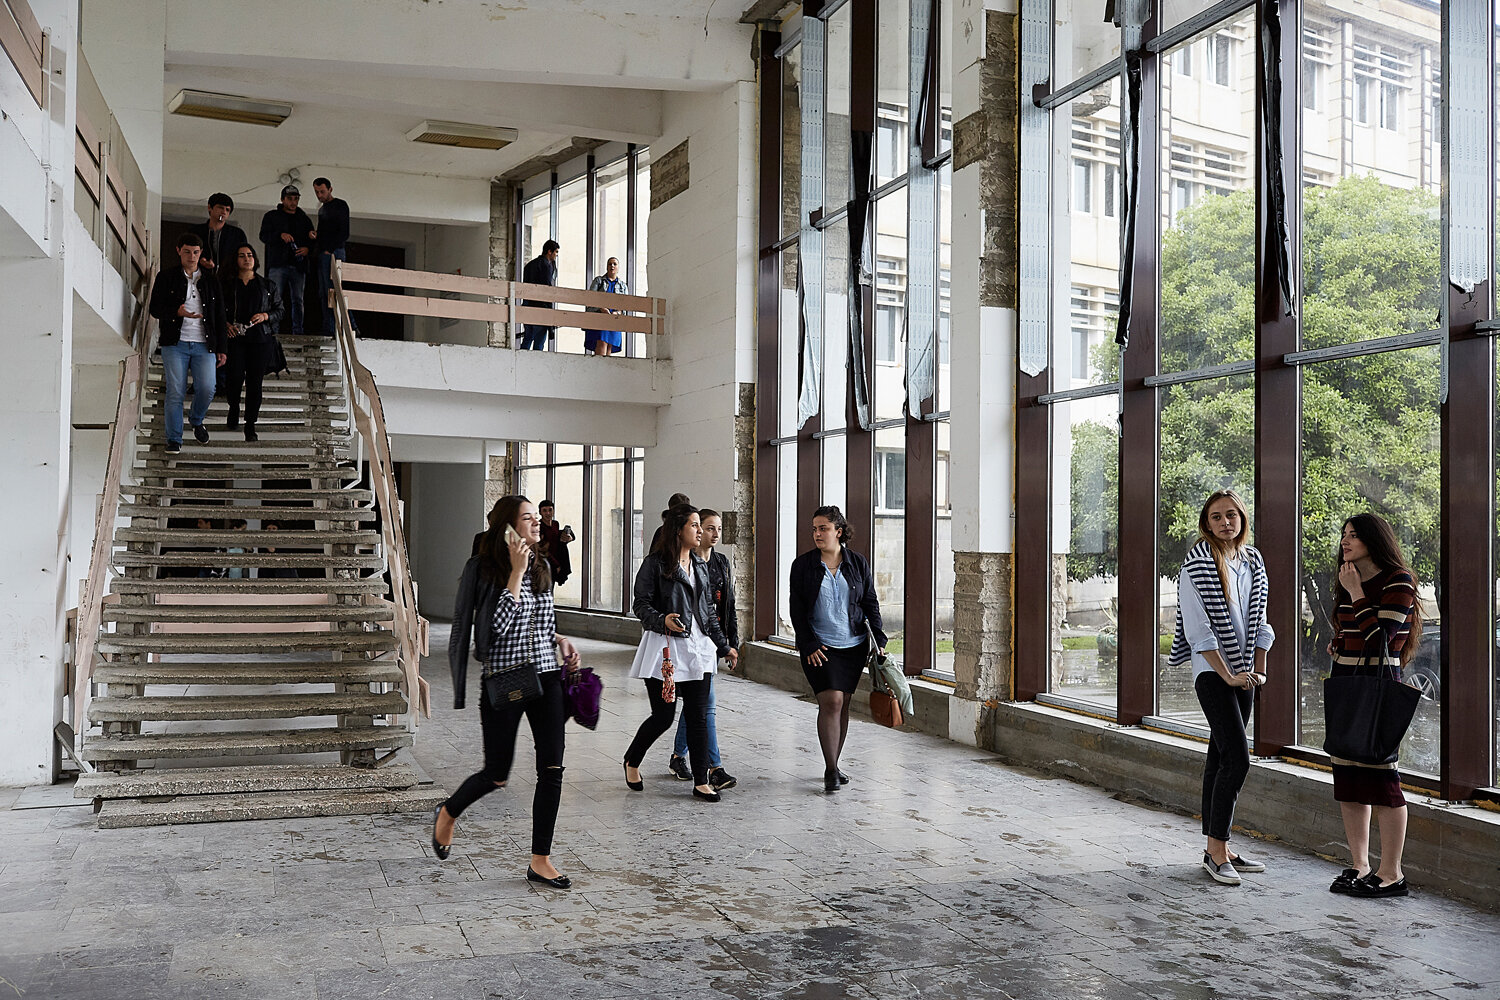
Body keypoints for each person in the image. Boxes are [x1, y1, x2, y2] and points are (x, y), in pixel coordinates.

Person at [434, 495, 581, 889]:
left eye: (537, 517)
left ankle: (540, 860)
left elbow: (541, 622)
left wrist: (560, 640)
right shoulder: (485, 570)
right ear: (508, 527)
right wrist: (515, 573)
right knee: (496, 775)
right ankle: (448, 812)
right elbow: (490, 634)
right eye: (528, 518)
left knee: (552, 769)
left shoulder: (544, 564)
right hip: (505, 679)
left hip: (547, 677)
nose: (537, 523)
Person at [1165, 490, 1273, 886]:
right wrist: (1227, 675)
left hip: (1244, 671)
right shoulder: (1195, 566)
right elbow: (1198, 630)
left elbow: (1262, 618)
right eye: (1216, 517)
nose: (1225, 522)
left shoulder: (1253, 561)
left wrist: (1256, 668)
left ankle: (1218, 848)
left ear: (1242, 518)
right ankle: (1216, 848)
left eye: (1231, 515)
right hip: (1212, 672)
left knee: (1220, 756)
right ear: (1205, 523)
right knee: (1239, 759)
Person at [1327, 513, 1421, 899]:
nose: (1346, 541)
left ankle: (1391, 873)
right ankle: (1360, 864)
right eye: (1344, 535)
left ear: (1374, 539)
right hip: (1346, 683)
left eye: (1354, 535)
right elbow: (1351, 632)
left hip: (1380, 686)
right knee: (1348, 776)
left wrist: (1356, 593)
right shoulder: (1349, 578)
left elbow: (1380, 636)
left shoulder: (1399, 580)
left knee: (1383, 779)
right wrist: (1337, 642)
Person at [623, 504, 738, 802]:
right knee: (663, 717)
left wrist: (724, 645)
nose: (700, 531)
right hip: (665, 651)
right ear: (678, 530)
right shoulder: (654, 564)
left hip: (697, 650)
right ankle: (632, 759)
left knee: (699, 715)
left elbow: (708, 613)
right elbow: (641, 604)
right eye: (695, 525)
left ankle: (701, 781)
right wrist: (662, 620)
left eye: (701, 526)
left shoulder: (701, 566)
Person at [788, 505, 887, 794]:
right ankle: (831, 770)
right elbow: (796, 609)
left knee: (842, 704)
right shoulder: (803, 565)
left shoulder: (857, 563)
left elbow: (870, 603)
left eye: (823, 528)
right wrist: (807, 642)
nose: (817, 533)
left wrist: (878, 640)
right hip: (819, 647)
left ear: (838, 531)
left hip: (853, 646)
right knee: (830, 701)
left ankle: (836, 763)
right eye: (815, 528)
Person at [668, 508, 738, 791]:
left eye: (717, 528)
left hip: (713, 642)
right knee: (705, 707)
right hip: (691, 643)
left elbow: (726, 606)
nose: (713, 533)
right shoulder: (689, 562)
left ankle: (677, 756)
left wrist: (728, 643)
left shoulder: (720, 562)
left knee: (698, 706)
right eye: (708, 527)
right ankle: (715, 767)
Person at [148, 232, 227, 453]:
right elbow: (154, 309)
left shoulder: (211, 281)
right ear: (178, 251)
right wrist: (176, 311)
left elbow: (220, 315)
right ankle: (174, 439)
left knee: (207, 387)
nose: (191, 256)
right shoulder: (166, 277)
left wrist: (222, 349)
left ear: (201, 254)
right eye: (187, 252)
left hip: (205, 343)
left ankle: (196, 419)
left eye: (195, 252)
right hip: (176, 343)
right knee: (176, 390)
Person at [222, 244, 283, 442]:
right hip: (235, 338)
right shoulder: (227, 284)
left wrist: (266, 315)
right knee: (234, 378)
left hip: (261, 339)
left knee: (255, 383)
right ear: (236, 260)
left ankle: (250, 425)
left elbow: (280, 310)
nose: (246, 259)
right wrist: (225, 324)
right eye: (242, 256)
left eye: (250, 255)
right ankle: (233, 407)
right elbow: (215, 308)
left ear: (255, 259)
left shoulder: (268, 286)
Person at [259, 185, 315, 337]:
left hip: (298, 265)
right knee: (273, 299)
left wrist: (307, 249)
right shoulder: (272, 216)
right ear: (282, 199)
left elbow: (313, 241)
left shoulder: (304, 219)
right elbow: (263, 236)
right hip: (278, 264)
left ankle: (298, 332)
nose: (293, 202)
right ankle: (272, 330)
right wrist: (279, 235)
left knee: (298, 300)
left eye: (296, 199)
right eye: (290, 199)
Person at [311, 177, 351, 335]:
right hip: (324, 253)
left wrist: (330, 249)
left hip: (334, 252)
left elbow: (344, 232)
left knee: (335, 290)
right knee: (324, 292)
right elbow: (324, 233)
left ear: (330, 189)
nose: (319, 195)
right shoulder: (322, 210)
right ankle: (328, 328)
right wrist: (316, 235)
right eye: (316, 192)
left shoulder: (340, 205)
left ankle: (348, 326)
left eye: (322, 191)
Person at [188, 192, 249, 280]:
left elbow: (242, 256)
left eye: (227, 210)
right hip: (201, 277)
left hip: (228, 280)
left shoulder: (237, 234)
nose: (224, 212)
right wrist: (200, 260)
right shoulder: (196, 231)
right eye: (220, 208)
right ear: (210, 207)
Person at [519, 239, 559, 351]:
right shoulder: (546, 266)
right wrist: (550, 311)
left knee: (527, 338)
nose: (556, 255)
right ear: (549, 251)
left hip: (527, 306)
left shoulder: (530, 265)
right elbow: (546, 290)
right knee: (539, 343)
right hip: (541, 308)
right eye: (555, 252)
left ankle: (521, 363)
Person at [585, 256, 628, 356]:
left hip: (614, 320)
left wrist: (617, 312)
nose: (612, 266)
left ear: (618, 267)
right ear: (606, 267)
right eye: (610, 264)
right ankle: (598, 370)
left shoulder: (623, 285)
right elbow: (590, 299)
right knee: (601, 344)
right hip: (600, 318)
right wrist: (601, 308)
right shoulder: (599, 281)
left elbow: (625, 307)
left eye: (614, 264)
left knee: (609, 349)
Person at [537, 499, 575, 587]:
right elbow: (542, 549)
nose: (548, 513)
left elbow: (559, 537)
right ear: (540, 512)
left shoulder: (555, 524)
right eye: (544, 510)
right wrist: (556, 565)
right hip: (545, 563)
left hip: (556, 560)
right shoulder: (539, 527)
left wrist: (569, 538)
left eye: (550, 510)